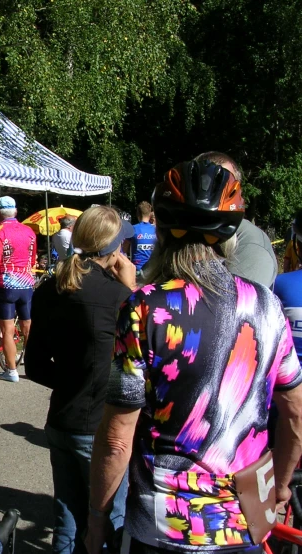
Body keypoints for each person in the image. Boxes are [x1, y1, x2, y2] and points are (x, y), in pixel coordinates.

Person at [86, 160, 302, 554]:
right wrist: (282, 484)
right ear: (230, 236)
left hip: (162, 528)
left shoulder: (144, 308)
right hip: (243, 523)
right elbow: (294, 413)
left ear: (164, 232)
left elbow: (117, 439)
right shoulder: (268, 306)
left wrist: (97, 519)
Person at [26, 206, 135, 554]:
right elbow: (136, 366)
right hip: (100, 428)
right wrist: (130, 290)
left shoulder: (51, 288)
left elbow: (37, 366)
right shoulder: (119, 298)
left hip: (61, 421)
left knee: (67, 522)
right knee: (107, 524)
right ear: (115, 249)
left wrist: (72, 380)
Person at [194, 152, 277, 287]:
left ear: (238, 192)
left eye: (223, 183)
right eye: (204, 182)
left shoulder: (249, 243)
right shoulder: (182, 233)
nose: (209, 192)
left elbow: (239, 304)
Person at [0, 196, 37, 383]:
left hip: (7, 285)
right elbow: (33, 257)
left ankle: (11, 371)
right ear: (16, 212)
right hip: (27, 284)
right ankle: (33, 367)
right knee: (28, 328)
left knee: (8, 329)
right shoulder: (29, 231)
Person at [129, 201, 156, 273]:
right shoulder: (156, 230)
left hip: (137, 269)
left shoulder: (133, 229)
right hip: (153, 269)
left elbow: (123, 251)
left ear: (138, 213)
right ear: (150, 214)